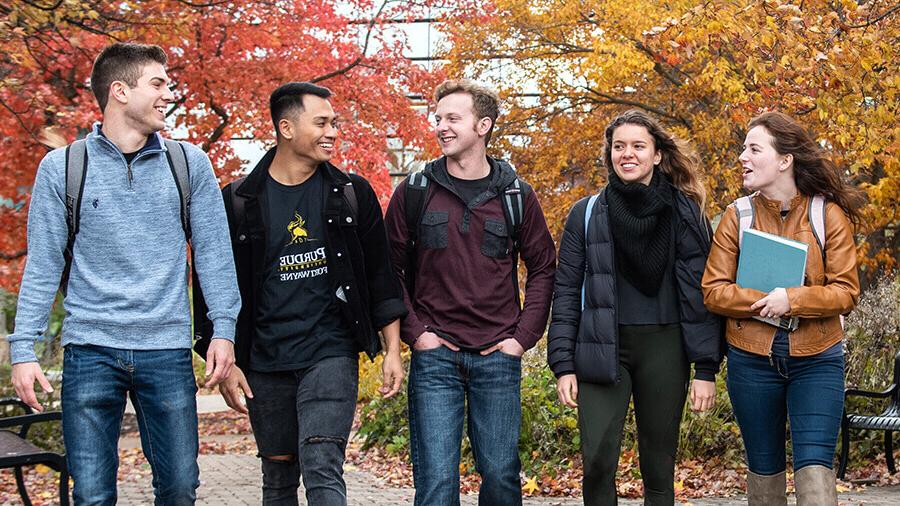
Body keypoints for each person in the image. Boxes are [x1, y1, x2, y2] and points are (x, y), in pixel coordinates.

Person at [8, 42, 240, 504]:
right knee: (92, 494)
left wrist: (224, 329)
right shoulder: (63, 167)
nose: (167, 94)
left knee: (178, 487)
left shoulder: (189, 163)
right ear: (119, 91)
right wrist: (22, 349)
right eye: (157, 83)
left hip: (166, 349)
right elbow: (44, 261)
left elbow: (214, 252)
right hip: (90, 349)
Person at [192, 81, 407, 506]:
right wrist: (225, 358)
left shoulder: (351, 193)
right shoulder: (237, 201)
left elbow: (381, 276)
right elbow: (210, 284)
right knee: (278, 477)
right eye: (322, 122)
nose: (333, 132)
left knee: (322, 465)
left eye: (335, 123)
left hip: (330, 350)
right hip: (264, 359)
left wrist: (393, 349)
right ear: (286, 128)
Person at [384, 79, 556, 505]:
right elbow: (388, 271)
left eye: (452, 118)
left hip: (497, 356)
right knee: (437, 483)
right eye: (438, 118)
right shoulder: (415, 190)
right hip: (435, 356)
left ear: (483, 125)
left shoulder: (517, 194)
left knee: (500, 478)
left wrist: (521, 339)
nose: (441, 126)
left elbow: (543, 268)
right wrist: (417, 333)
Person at [548, 109, 723, 505]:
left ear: (657, 154)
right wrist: (563, 363)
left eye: (638, 146)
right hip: (601, 347)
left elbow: (703, 294)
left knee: (659, 468)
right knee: (596, 461)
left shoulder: (686, 212)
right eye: (619, 146)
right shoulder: (587, 213)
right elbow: (566, 289)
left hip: (666, 346)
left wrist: (706, 368)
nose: (627, 154)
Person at [702, 111, 863, 505]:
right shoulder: (736, 216)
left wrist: (791, 300)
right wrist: (763, 301)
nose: (743, 156)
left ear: (785, 160)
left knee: (815, 470)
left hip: (818, 359)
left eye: (754, 149)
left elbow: (846, 291)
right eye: (743, 149)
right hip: (751, 361)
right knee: (764, 469)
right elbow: (713, 291)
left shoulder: (827, 215)